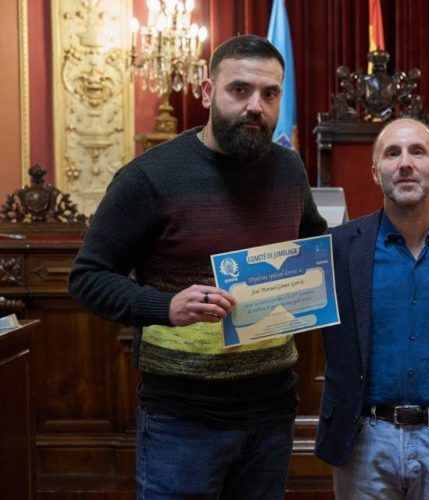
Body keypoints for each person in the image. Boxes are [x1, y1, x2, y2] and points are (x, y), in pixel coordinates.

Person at [68, 35, 326, 499]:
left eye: (270, 94)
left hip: (272, 410)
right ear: (208, 93)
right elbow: (87, 277)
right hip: (181, 420)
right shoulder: (149, 177)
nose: (255, 106)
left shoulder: (290, 170)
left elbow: (314, 244)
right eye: (239, 90)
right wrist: (165, 306)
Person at [314, 118, 429, 499]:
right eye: (392, 153)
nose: (404, 163)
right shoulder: (337, 248)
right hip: (364, 441)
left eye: (418, 151)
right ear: (374, 171)